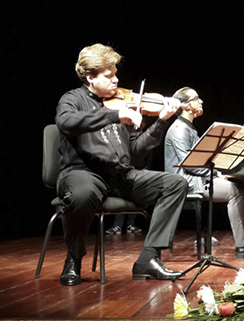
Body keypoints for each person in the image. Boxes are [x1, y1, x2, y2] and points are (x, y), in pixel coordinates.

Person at [55, 43, 189, 286]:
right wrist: (115, 115)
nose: (116, 80)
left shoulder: (123, 103)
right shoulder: (72, 99)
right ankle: (73, 258)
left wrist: (161, 122)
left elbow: (136, 150)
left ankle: (148, 259)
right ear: (90, 78)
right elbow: (66, 123)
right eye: (109, 76)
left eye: (116, 73)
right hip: (84, 173)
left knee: (175, 184)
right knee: (83, 193)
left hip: (120, 175)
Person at [163, 87, 244, 258]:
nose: (201, 101)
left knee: (238, 186)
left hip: (194, 178)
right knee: (234, 190)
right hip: (185, 182)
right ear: (185, 105)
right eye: (196, 98)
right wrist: (215, 174)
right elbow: (189, 165)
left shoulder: (188, 128)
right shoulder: (179, 129)